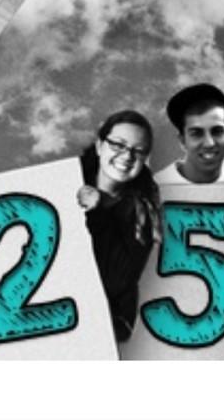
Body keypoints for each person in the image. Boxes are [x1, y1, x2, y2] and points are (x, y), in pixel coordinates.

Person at [76, 110, 162, 344]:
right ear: (99, 146)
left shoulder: (143, 212)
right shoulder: (64, 183)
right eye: (118, 145)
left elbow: (117, 280)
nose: (127, 156)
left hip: (101, 330)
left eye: (138, 150)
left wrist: (98, 213)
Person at [154, 83, 224, 184]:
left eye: (217, 131)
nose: (209, 143)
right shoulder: (158, 184)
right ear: (182, 141)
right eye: (196, 133)